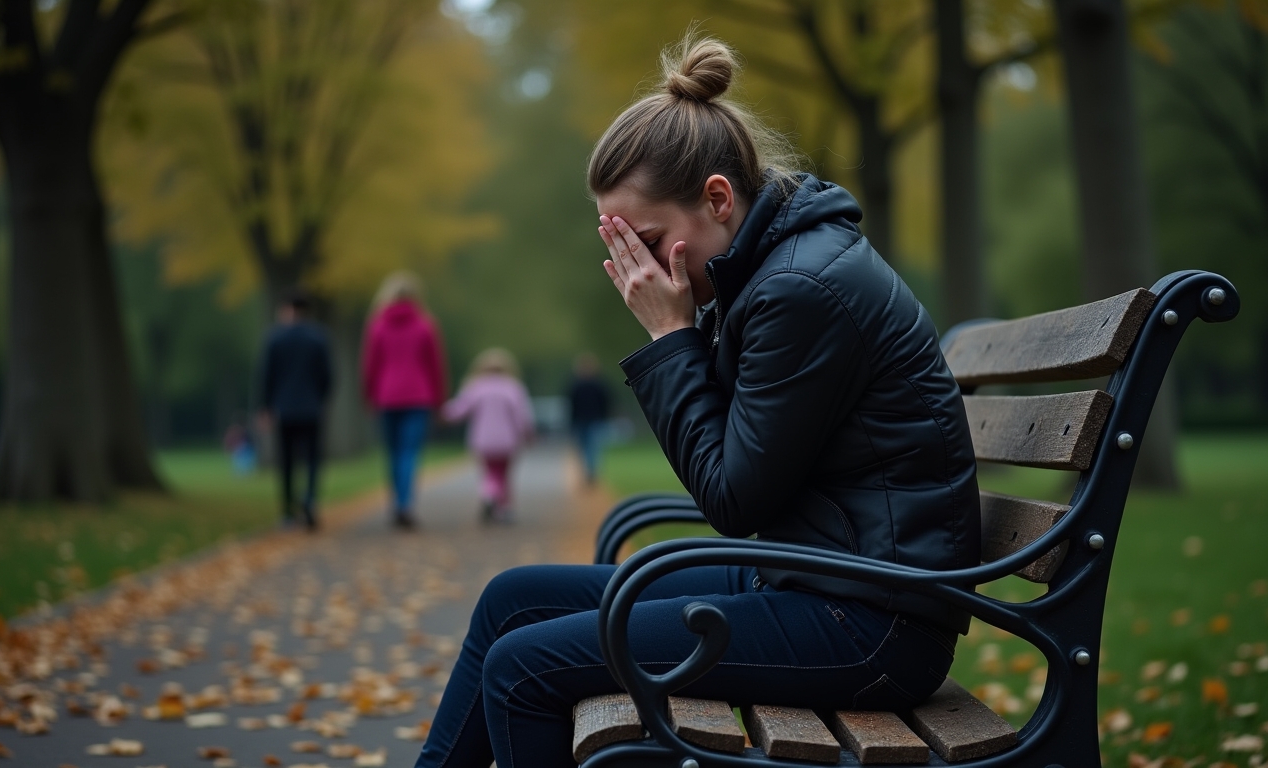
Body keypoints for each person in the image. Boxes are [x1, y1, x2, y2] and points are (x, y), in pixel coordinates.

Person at [413, 34, 979, 768]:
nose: (640, 268)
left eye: (647, 241)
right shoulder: (769, 270)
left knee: (525, 668)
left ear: (717, 198)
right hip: (817, 577)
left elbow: (731, 498)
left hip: (870, 624)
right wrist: (683, 333)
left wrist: (670, 336)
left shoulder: (800, 290)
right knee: (510, 602)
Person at [362, 272, 448, 529]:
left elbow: (370, 365)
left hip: (387, 395)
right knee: (409, 452)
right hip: (419, 396)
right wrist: (439, 400)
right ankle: (405, 503)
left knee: (392, 452)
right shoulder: (426, 324)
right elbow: (436, 365)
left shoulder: (377, 324)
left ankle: (396, 502)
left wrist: (368, 394)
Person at [259, 292, 333, 531]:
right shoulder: (319, 339)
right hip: (311, 408)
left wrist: (265, 407)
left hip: (285, 409)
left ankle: (288, 511)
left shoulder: (275, 339)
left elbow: (266, 376)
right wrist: (320, 399)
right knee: (312, 458)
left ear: (287, 309)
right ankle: (310, 499)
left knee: (287, 461)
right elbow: (327, 376)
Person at [440, 348, 534, 524]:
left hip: (482, 441)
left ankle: (489, 496)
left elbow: (458, 410)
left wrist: (440, 412)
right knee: (504, 474)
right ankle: (502, 508)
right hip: (508, 441)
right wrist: (528, 434)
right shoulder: (513, 388)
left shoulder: (475, 387)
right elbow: (522, 415)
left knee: (490, 473)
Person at [566, 353, 611, 486]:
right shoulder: (597, 384)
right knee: (589, 447)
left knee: (589, 447)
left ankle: (590, 472)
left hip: (589, 420)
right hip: (587, 420)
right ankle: (590, 472)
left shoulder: (577, 384)